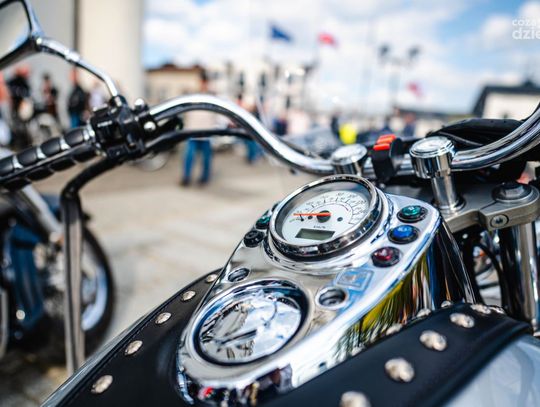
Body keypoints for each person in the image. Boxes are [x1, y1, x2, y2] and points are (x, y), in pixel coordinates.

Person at [181, 72, 215, 186]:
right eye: (202, 82)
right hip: (193, 131)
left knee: (206, 158)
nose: (203, 84)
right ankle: (186, 177)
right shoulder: (193, 95)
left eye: (205, 82)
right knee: (189, 156)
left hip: (206, 132)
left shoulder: (211, 97)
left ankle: (205, 178)